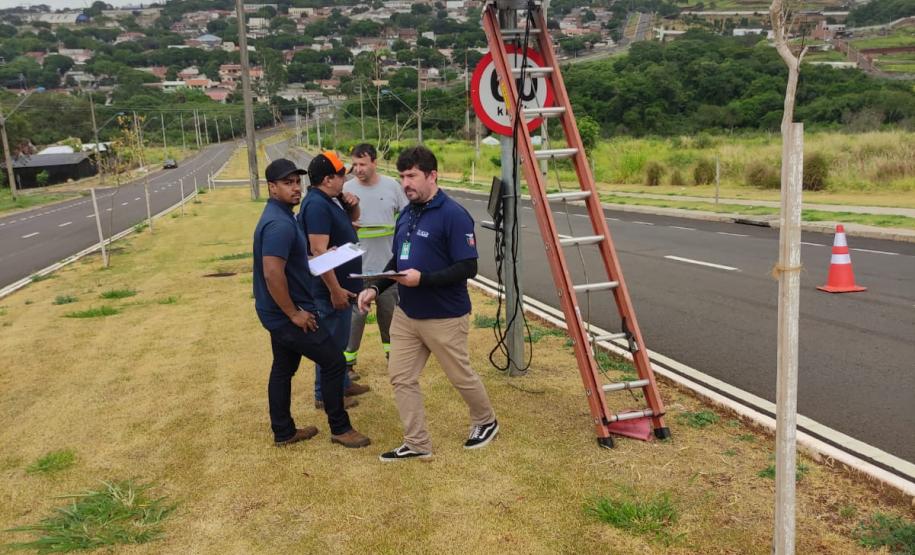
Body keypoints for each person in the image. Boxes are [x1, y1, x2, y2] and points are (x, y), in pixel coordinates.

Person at [357, 146, 498, 462]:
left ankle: (486, 420)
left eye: (412, 176)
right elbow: (398, 259)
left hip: (444, 315)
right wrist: (375, 288)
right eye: (402, 176)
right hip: (407, 314)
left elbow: (468, 267)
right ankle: (417, 442)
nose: (406, 183)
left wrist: (424, 279)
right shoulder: (407, 212)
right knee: (401, 376)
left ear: (432, 176)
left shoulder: (453, 215)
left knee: (460, 376)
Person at [252, 158, 370, 448]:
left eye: (296, 182)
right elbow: (272, 271)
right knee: (332, 361)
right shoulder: (278, 224)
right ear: (271, 187)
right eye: (287, 183)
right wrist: (294, 313)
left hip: (276, 311)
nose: (295, 189)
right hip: (286, 314)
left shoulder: (282, 216)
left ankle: (284, 431)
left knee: (283, 368)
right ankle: (340, 428)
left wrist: (321, 258)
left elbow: (291, 262)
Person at [297, 151, 371, 410]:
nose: (344, 180)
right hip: (330, 290)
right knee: (330, 345)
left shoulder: (331, 199)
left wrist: (352, 205)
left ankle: (341, 385)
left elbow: (350, 222)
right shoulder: (317, 204)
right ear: (327, 179)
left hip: (344, 284)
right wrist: (335, 289)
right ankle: (325, 395)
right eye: (341, 176)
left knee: (339, 342)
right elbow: (319, 252)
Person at [343, 144, 409, 380]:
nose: (358, 169)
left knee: (390, 317)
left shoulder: (392, 186)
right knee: (354, 319)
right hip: (356, 269)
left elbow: (407, 216)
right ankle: (347, 366)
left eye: (362, 164)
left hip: (387, 268)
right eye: (355, 164)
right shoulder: (346, 189)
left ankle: (395, 361)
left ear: (374, 163)